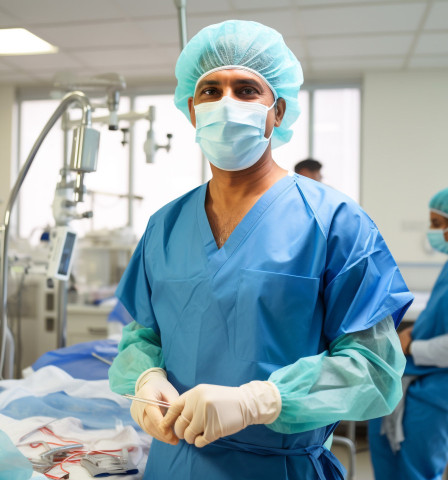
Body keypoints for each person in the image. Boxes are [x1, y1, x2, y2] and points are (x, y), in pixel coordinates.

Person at [109, 20, 413, 480]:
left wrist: (261, 402)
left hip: (279, 467)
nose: (226, 103)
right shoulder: (164, 227)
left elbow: (375, 370)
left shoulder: (334, 222)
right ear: (192, 110)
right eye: (210, 90)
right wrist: (146, 380)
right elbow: (143, 337)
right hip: (173, 463)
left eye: (247, 90)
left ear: (278, 111)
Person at [369, 187, 448, 480]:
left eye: (438, 224)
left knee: (419, 470)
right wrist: (417, 331)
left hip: (435, 389)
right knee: (389, 463)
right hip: (411, 383)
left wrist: (411, 346)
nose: (433, 232)